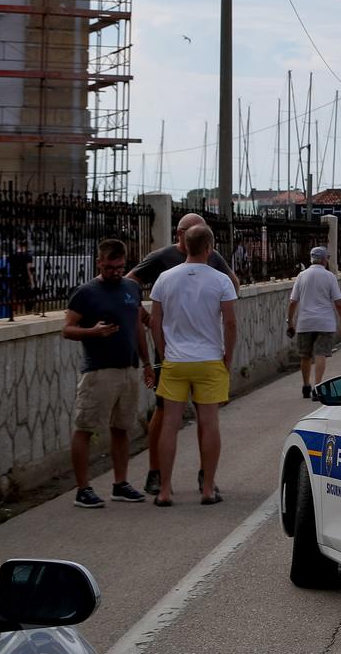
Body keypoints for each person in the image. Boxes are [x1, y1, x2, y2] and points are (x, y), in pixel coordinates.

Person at [129, 212, 240, 497]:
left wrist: (164, 352)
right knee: (208, 421)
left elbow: (155, 321)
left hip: (175, 360)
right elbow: (230, 322)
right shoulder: (216, 276)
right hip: (209, 359)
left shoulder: (165, 278)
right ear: (209, 246)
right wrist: (228, 356)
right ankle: (206, 488)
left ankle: (165, 489)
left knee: (169, 423)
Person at [62, 238, 153, 508]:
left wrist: (147, 363)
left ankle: (120, 483)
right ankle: (82, 489)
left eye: (120, 267)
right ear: (99, 262)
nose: (115, 271)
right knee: (86, 428)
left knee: (122, 428)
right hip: (99, 372)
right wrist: (92, 332)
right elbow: (67, 329)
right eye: (110, 266)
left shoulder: (131, 288)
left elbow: (137, 326)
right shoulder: (86, 292)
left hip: (128, 369)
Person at [288, 246, 341, 399]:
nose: (327, 260)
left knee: (305, 356)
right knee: (320, 354)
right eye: (327, 258)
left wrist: (290, 322)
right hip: (324, 323)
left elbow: (293, 302)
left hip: (305, 322)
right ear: (323, 260)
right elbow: (338, 303)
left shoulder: (301, 276)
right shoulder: (330, 277)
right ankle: (318, 388)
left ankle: (306, 387)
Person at [9, 237, 35, 315]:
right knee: (27, 295)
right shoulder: (27, 255)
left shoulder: (13, 255)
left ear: (18, 245)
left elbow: (11, 267)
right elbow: (29, 269)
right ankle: (27, 311)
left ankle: (16, 312)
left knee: (16, 295)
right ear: (26, 246)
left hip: (15, 277)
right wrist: (32, 281)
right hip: (25, 277)